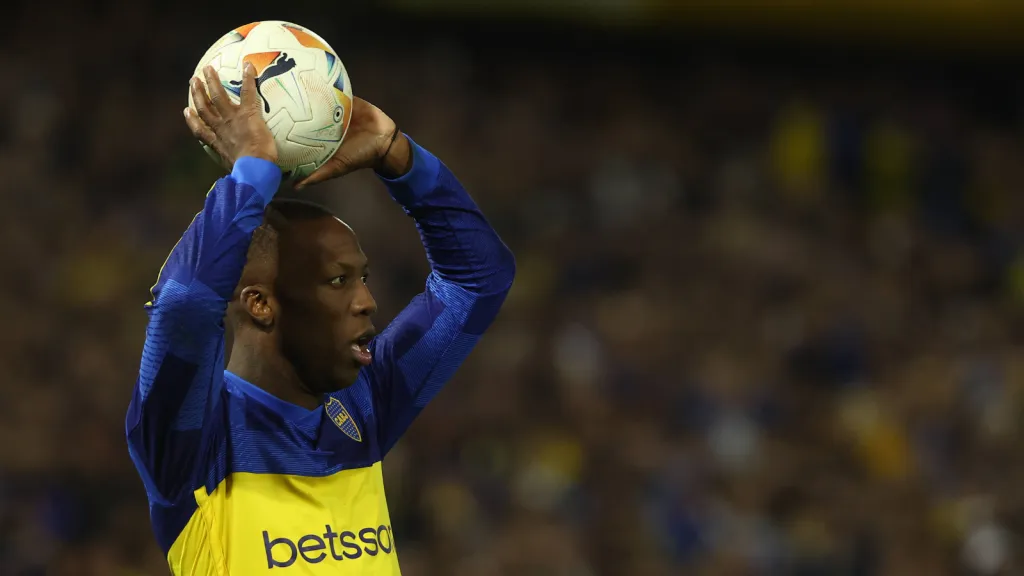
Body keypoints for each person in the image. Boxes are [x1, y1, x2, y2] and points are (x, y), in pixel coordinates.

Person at [125, 63, 515, 574]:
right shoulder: (197, 442)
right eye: (339, 281)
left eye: (363, 278)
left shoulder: (364, 407)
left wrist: (401, 157)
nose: (368, 302)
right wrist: (252, 172)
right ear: (261, 303)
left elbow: (479, 278)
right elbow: (184, 307)